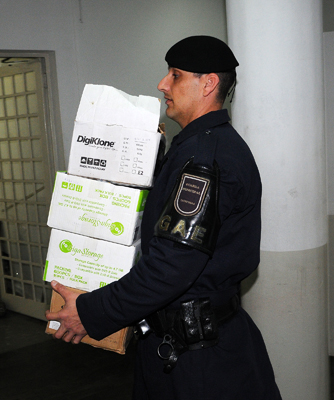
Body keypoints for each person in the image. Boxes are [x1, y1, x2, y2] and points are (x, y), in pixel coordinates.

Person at [46, 35, 282, 400]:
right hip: (177, 343)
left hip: (199, 361)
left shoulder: (206, 160)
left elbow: (171, 267)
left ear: (208, 83)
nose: (162, 84)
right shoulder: (194, 147)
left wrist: (91, 312)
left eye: (175, 75)